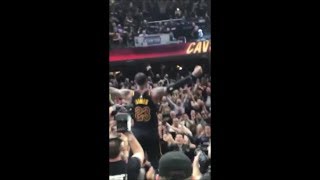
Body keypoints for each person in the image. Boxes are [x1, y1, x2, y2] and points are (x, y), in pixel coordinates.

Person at [110, 65, 203, 170]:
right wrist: (193, 75)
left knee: (135, 158)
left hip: (136, 133)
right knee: (155, 162)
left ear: (135, 83)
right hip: (151, 133)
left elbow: (113, 91)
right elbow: (174, 86)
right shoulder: (154, 93)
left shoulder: (129, 94)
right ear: (147, 82)